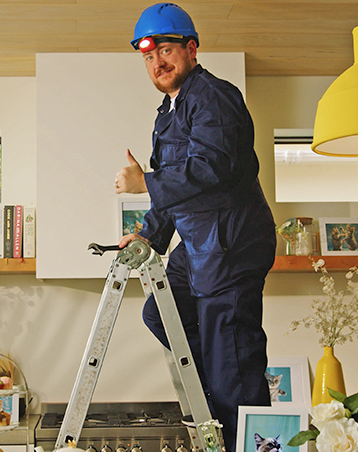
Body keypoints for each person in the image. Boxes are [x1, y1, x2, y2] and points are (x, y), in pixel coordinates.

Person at [114, 3, 276, 451]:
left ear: (191, 48)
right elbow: (177, 192)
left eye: (165, 50)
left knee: (233, 367)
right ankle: (221, 389)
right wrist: (148, 234)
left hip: (232, 244)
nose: (157, 62)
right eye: (148, 57)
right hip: (198, 246)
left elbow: (212, 167)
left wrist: (143, 181)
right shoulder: (167, 114)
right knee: (159, 313)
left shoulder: (213, 96)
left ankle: (240, 414)